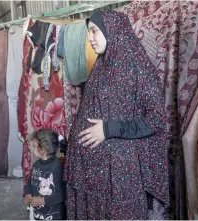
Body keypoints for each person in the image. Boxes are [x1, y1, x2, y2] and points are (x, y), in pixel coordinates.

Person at [64, 11, 169, 220]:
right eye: (89, 33)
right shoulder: (101, 66)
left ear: (113, 30)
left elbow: (157, 120)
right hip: (87, 174)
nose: (90, 39)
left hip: (120, 177)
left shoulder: (139, 69)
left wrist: (108, 129)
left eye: (94, 31)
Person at [24, 129, 66, 220]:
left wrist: (44, 200)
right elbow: (29, 183)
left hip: (54, 216)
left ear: (43, 150)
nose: (32, 148)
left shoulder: (58, 168)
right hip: (37, 214)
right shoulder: (36, 165)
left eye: (34, 146)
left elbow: (63, 193)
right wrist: (27, 193)